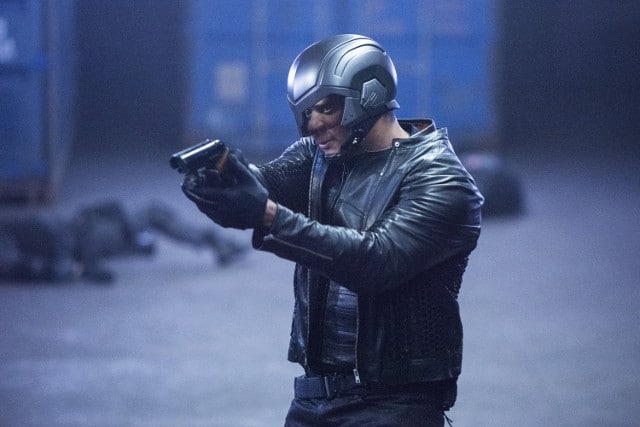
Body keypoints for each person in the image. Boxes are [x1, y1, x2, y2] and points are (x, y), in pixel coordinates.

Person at [181, 34, 484, 426]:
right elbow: (265, 186)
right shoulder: (319, 156)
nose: (313, 125)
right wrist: (226, 181)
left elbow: (377, 261)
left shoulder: (441, 179)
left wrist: (268, 216)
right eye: (307, 111)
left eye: (326, 108)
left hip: (394, 406)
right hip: (313, 399)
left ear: (369, 95)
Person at [0, 200, 247, 283]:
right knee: (154, 213)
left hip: (85, 236)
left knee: (151, 216)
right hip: (87, 239)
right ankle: (217, 242)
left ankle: (216, 242)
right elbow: (38, 261)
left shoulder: (13, 231)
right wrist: (76, 268)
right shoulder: (13, 238)